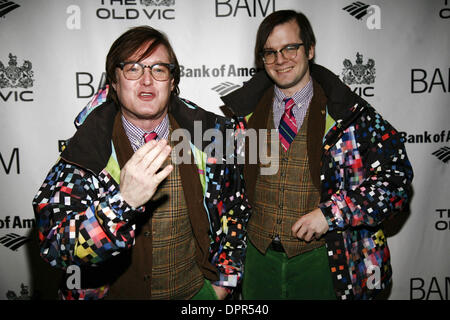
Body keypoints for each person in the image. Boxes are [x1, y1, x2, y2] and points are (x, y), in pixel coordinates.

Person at [32, 26, 250, 300]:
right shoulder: (87, 151)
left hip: (197, 296)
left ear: (172, 82)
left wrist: (222, 285)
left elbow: (236, 212)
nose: (147, 80)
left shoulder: (210, 139)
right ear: (114, 80)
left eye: (159, 69)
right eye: (133, 68)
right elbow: (54, 246)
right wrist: (123, 202)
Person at [221, 10, 413, 300]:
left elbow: (396, 181)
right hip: (258, 263)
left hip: (326, 261)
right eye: (270, 52)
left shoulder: (351, 116)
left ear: (310, 50)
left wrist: (332, 213)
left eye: (290, 47)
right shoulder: (241, 118)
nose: (280, 59)